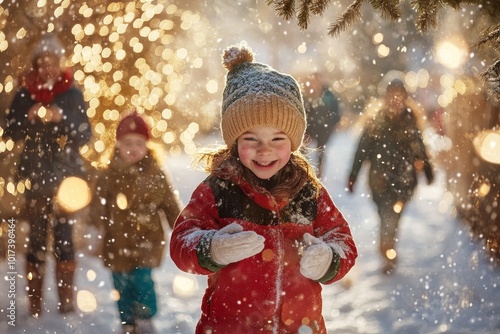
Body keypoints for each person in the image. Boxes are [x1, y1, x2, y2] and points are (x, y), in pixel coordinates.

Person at [169, 45, 358, 334]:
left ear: (294, 141)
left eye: (277, 138)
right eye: (251, 138)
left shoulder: (308, 191)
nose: (265, 150)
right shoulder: (218, 189)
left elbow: (342, 239)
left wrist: (328, 259)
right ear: (234, 141)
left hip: (299, 326)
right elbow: (182, 240)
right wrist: (213, 247)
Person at [4, 33, 92, 317]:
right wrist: (27, 116)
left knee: (65, 238)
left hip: (68, 181)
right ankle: (35, 303)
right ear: (35, 66)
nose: (47, 68)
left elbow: (85, 134)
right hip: (34, 178)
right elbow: (10, 131)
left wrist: (61, 119)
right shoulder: (24, 93)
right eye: (41, 63)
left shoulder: (72, 93)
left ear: (59, 62)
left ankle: (66, 301)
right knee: (36, 240)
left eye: (51, 61)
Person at [89, 111, 182, 334]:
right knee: (121, 283)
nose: (133, 148)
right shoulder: (108, 174)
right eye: (127, 142)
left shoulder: (156, 173)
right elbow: (96, 204)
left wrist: (180, 227)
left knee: (142, 281)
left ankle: (145, 317)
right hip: (116, 240)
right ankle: (127, 322)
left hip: (147, 240)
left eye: (139, 143)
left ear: (148, 145)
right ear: (117, 144)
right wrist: (97, 222)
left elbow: (169, 204)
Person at [347, 79, 434, 274]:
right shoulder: (376, 120)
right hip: (379, 180)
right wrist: (353, 174)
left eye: (399, 94)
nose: (395, 99)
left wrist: (428, 171)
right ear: (385, 97)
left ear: (405, 97)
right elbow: (362, 149)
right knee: (386, 215)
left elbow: (420, 150)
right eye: (391, 94)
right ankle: (387, 249)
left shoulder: (410, 121)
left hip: (404, 180)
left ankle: (387, 250)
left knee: (393, 217)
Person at [303, 72, 341, 178]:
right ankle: (303, 170)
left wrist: (330, 126)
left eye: (316, 81)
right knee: (303, 148)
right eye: (312, 81)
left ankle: (319, 173)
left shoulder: (329, 96)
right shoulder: (307, 94)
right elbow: (305, 111)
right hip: (310, 127)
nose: (314, 84)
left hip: (324, 129)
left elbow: (336, 114)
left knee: (321, 151)